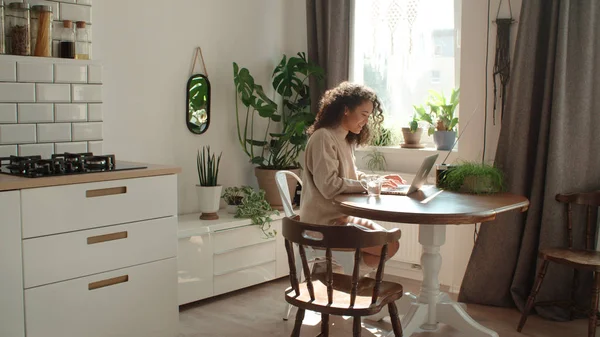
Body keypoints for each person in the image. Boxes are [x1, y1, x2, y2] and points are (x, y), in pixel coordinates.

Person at [299, 81, 404, 272]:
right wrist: (368, 185)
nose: (366, 121)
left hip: (341, 218)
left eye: (369, 116)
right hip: (323, 225)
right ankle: (341, 279)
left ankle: (339, 279)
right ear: (346, 109)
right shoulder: (323, 137)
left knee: (390, 241)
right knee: (388, 245)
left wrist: (378, 181)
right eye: (363, 114)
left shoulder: (344, 139)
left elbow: (351, 175)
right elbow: (329, 185)